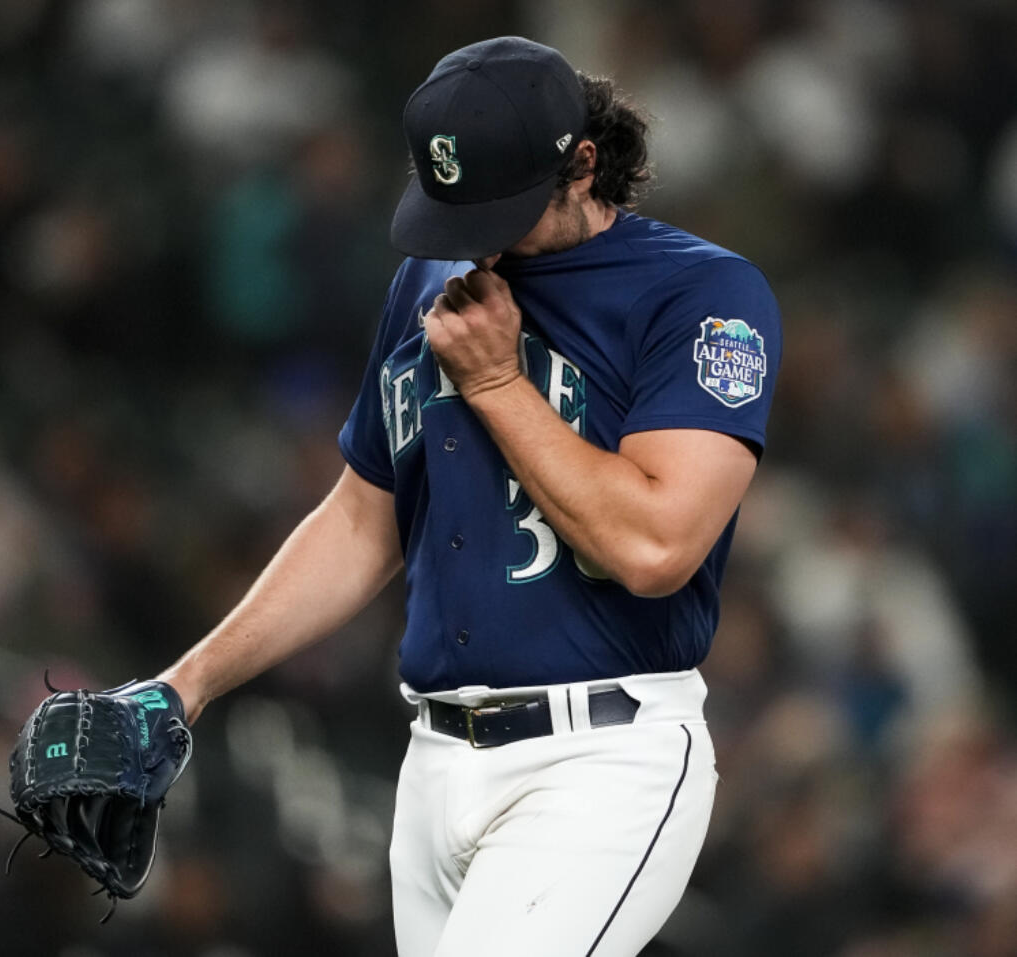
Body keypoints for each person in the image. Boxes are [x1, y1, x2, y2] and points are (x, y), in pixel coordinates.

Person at [157, 35, 781, 956]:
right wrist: (185, 686)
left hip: (598, 755)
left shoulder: (701, 294)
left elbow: (657, 548)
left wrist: (498, 386)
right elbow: (361, 519)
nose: (474, 238)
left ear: (581, 165)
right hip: (436, 760)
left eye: (502, 206)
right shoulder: (432, 276)